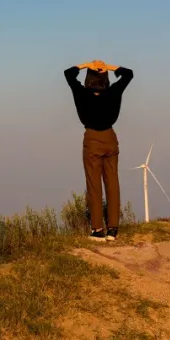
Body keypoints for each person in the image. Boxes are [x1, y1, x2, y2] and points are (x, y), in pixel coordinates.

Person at [64, 61, 134, 242]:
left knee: (94, 186)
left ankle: (97, 229)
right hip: (110, 138)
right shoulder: (113, 92)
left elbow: (68, 74)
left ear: (88, 79)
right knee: (112, 183)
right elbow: (128, 74)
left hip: (92, 139)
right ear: (105, 78)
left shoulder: (81, 93)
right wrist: (108, 67)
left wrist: (87, 65)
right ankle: (113, 229)